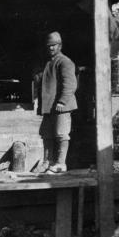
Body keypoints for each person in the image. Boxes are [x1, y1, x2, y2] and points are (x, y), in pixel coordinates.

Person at [37, 31, 78, 173]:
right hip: (49, 106)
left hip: (62, 106)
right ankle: (47, 162)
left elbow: (71, 84)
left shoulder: (64, 62)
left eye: (53, 45)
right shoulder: (49, 63)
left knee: (61, 134)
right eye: (48, 46)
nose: (51, 48)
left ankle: (61, 163)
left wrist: (62, 101)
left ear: (60, 46)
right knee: (47, 134)